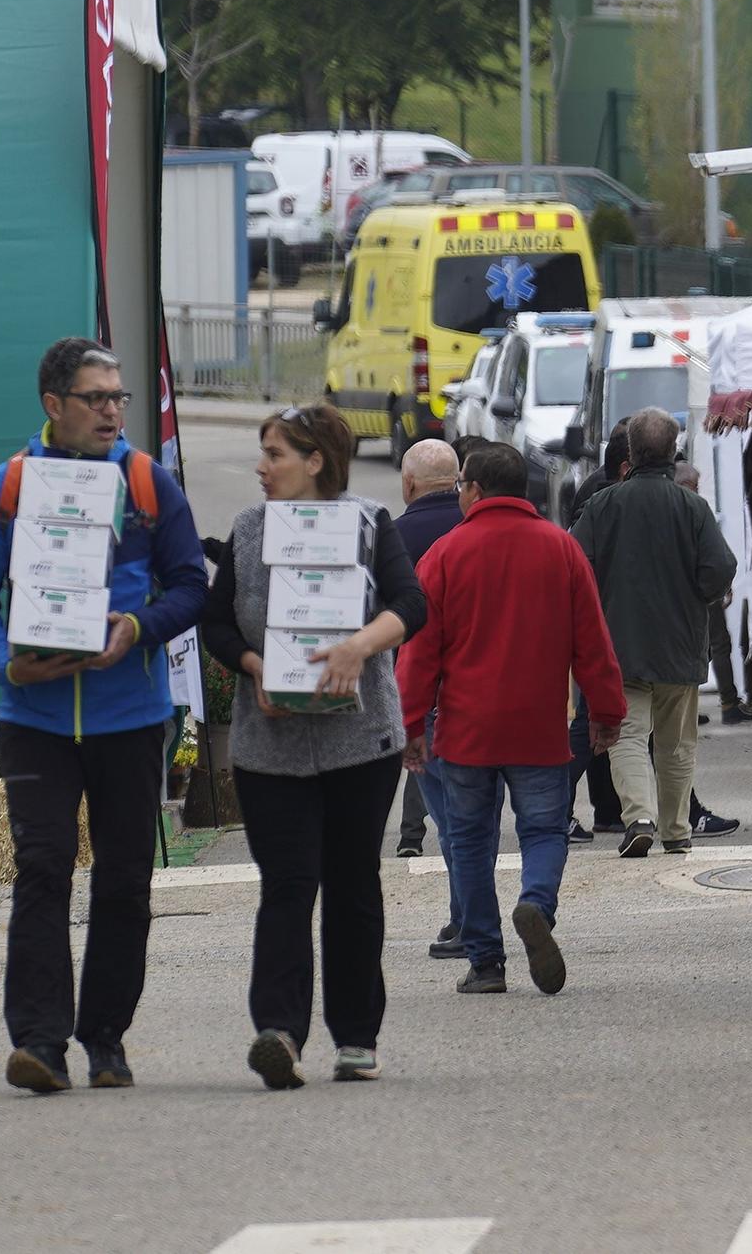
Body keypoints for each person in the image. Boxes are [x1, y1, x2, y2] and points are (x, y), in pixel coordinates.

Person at [0, 337, 208, 1094]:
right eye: (96, 397)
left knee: (126, 882)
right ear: (53, 405)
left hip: (130, 717)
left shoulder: (147, 483)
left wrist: (138, 629)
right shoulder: (6, 488)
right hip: (35, 717)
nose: (112, 410)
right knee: (42, 869)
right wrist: (7, 662)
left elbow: (190, 583)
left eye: (119, 396)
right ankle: (39, 1041)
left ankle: (105, 1039)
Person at [199, 405, 426, 1089]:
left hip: (361, 741)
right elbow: (215, 623)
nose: (262, 468)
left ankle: (357, 1037)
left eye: (275, 454)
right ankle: (279, 1031)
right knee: (288, 885)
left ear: (316, 460)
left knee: (353, 885)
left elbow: (410, 604)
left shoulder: (368, 521)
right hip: (271, 745)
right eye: (262, 454)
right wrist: (255, 665)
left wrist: (360, 645)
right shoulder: (247, 529)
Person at [398, 443, 626, 995]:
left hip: (465, 730)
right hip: (540, 725)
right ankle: (536, 905)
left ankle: (485, 963)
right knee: (545, 830)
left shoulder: (446, 555)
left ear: (471, 489)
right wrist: (606, 711)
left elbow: (421, 651)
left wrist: (408, 725)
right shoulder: (562, 550)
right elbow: (592, 642)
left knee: (471, 842)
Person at [572, 407, 737, 858]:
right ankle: (677, 828)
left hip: (619, 643)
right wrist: (697, 596)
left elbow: (576, 565)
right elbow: (720, 568)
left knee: (626, 733)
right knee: (676, 742)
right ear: (673, 450)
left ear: (631, 452)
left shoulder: (602, 506)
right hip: (681, 644)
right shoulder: (693, 507)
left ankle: (639, 817)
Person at [390, 439, 470, 962]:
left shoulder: (391, 539)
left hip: (423, 694)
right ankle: (471, 916)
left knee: (453, 821)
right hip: (481, 695)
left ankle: (468, 920)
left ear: (408, 484)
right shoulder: (474, 531)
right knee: (474, 818)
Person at [569, 419, 631, 836]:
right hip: (609, 621)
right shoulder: (605, 501)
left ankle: (608, 809)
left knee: (599, 717)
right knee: (598, 717)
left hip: (599, 620)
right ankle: (558, 804)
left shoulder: (594, 493)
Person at [677, 461, 752, 727]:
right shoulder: (696, 509)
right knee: (719, 644)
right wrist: (723, 584)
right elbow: (717, 554)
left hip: (679, 592)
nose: (697, 490)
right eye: (694, 485)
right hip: (703, 589)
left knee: (689, 648)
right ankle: (729, 702)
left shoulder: (665, 511)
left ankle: (688, 707)